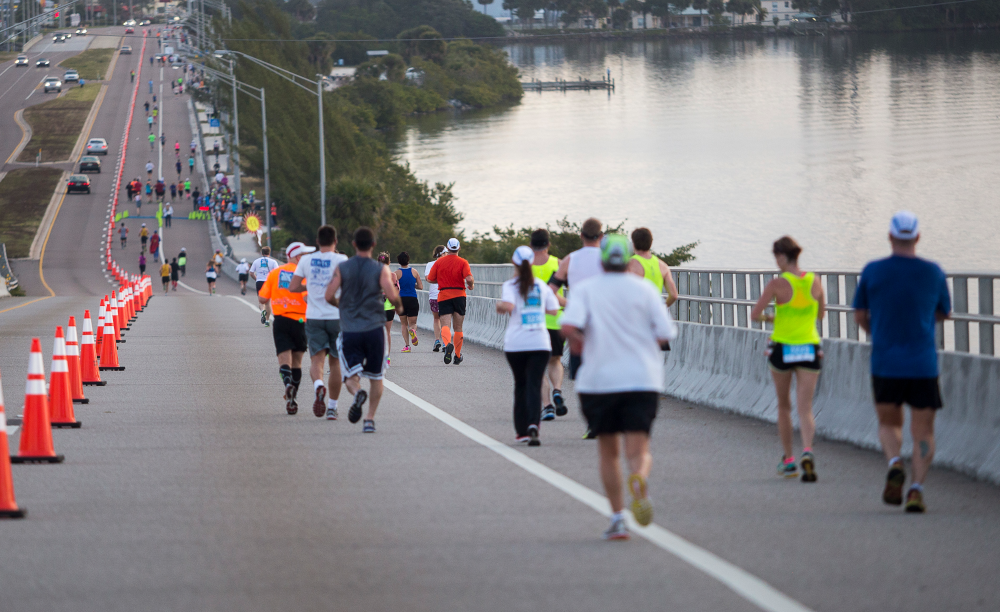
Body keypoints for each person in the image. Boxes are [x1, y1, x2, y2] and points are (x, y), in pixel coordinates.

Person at [560, 234, 678, 540]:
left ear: (601, 260)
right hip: (641, 379)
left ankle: (617, 518)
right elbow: (665, 334)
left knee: (608, 451)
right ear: (628, 259)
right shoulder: (646, 291)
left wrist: (581, 343)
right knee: (639, 449)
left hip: (599, 381)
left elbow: (567, 326)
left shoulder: (586, 290)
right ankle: (638, 477)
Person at [853, 211, 951, 514]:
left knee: (888, 424)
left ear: (890, 237)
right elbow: (943, 313)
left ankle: (895, 463)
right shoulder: (933, 272)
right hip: (922, 365)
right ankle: (916, 489)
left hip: (886, 364)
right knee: (923, 433)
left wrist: (878, 332)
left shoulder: (872, 271)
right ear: (917, 237)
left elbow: (859, 314)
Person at [749, 236, 825, 482]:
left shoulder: (777, 284)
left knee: (784, 406)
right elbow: (821, 314)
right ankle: (808, 451)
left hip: (783, 347)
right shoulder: (815, 281)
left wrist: (773, 319)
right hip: (810, 347)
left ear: (782, 256)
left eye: (776, 257)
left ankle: (790, 461)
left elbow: (755, 314)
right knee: (806, 407)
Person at [324, 227, 402, 433]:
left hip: (351, 330)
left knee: (350, 376)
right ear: (373, 245)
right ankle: (369, 419)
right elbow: (392, 296)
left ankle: (357, 392)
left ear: (354, 245)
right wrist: (400, 307)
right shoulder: (381, 269)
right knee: (377, 377)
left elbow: (328, 295)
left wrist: (341, 305)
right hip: (375, 330)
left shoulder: (343, 267)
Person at [498, 246, 561, 446]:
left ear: (514, 262)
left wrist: (500, 306)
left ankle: (522, 431)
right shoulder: (542, 286)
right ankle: (534, 424)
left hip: (516, 345)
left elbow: (507, 306)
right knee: (534, 384)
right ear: (532, 262)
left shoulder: (510, 285)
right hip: (540, 344)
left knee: (521, 385)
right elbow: (553, 310)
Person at [550, 218, 604, 438]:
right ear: (601, 237)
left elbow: (550, 291)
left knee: (582, 374)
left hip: (579, 323)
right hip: (606, 321)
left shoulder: (569, 260)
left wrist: (570, 305)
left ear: (581, 236)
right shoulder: (610, 259)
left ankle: (592, 420)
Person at [290, 225, 349, 419]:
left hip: (314, 316)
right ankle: (332, 407)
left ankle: (318, 385)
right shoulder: (341, 259)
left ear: (317, 241)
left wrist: (312, 288)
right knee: (336, 363)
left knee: (317, 360)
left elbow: (293, 286)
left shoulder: (307, 259)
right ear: (335, 241)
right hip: (336, 316)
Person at [258, 242, 314, 415]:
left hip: (281, 320)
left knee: (284, 361)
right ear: (297, 257)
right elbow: (307, 299)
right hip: (299, 321)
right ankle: (292, 398)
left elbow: (262, 298)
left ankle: (287, 384)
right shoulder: (304, 275)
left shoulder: (275, 274)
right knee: (297, 363)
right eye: (304, 255)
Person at [529, 229, 568, 421]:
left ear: (531, 245)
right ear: (548, 244)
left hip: (533, 321)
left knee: (537, 366)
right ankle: (558, 391)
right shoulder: (558, 263)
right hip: (555, 320)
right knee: (555, 360)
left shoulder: (525, 266)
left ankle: (547, 406)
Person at [426, 238, 474, 365]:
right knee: (458, 327)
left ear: (447, 248)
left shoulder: (439, 262)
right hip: (459, 295)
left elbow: (430, 279)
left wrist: (441, 280)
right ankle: (457, 356)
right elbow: (469, 278)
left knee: (445, 325)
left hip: (444, 295)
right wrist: (471, 285)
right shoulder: (463, 262)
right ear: (459, 248)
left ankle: (447, 344)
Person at [627, 227, 679, 307]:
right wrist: (662, 308)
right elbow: (673, 295)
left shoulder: (630, 264)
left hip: (636, 313)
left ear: (633, 243)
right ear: (651, 242)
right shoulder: (663, 265)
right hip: (654, 313)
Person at [395, 252, 423, 353]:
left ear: (399, 261)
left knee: (403, 324)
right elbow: (420, 286)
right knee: (413, 323)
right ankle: (413, 330)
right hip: (412, 299)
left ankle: (407, 346)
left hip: (401, 300)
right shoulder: (414, 271)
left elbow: (394, 287)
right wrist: (412, 286)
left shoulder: (396, 273)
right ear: (408, 260)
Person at [250, 247, 281, 326]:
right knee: (268, 302)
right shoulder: (273, 262)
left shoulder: (256, 261)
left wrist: (256, 279)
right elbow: (277, 273)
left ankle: (262, 311)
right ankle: (267, 321)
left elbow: (251, 273)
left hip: (259, 281)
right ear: (269, 253)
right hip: (268, 282)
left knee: (261, 301)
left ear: (261, 253)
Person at [424, 245, 446, 351]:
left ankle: (437, 340)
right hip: (446, 294)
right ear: (442, 254)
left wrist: (436, 280)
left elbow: (427, 278)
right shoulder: (447, 264)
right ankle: (445, 343)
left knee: (436, 319)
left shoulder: (430, 264)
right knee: (445, 319)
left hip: (433, 295)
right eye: (446, 253)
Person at [378, 252, 399, 361]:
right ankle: (387, 356)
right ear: (389, 262)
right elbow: (396, 290)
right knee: (387, 332)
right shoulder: (393, 275)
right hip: (389, 306)